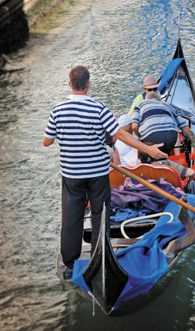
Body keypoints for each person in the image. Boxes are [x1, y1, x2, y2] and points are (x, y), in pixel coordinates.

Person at [43, 65, 166, 274]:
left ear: (69, 84)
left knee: (71, 215)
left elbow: (47, 141)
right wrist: (149, 151)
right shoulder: (98, 108)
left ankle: (70, 262)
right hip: (98, 173)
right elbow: (120, 135)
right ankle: (98, 256)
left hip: (72, 175)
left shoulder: (58, 110)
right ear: (89, 84)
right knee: (100, 213)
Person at [131, 89, 195, 178]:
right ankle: (176, 172)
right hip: (171, 138)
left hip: (152, 138)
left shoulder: (140, 104)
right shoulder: (168, 105)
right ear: (160, 100)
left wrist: (141, 138)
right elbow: (186, 129)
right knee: (161, 156)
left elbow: (134, 126)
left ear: (146, 100)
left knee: (145, 153)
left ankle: (148, 176)